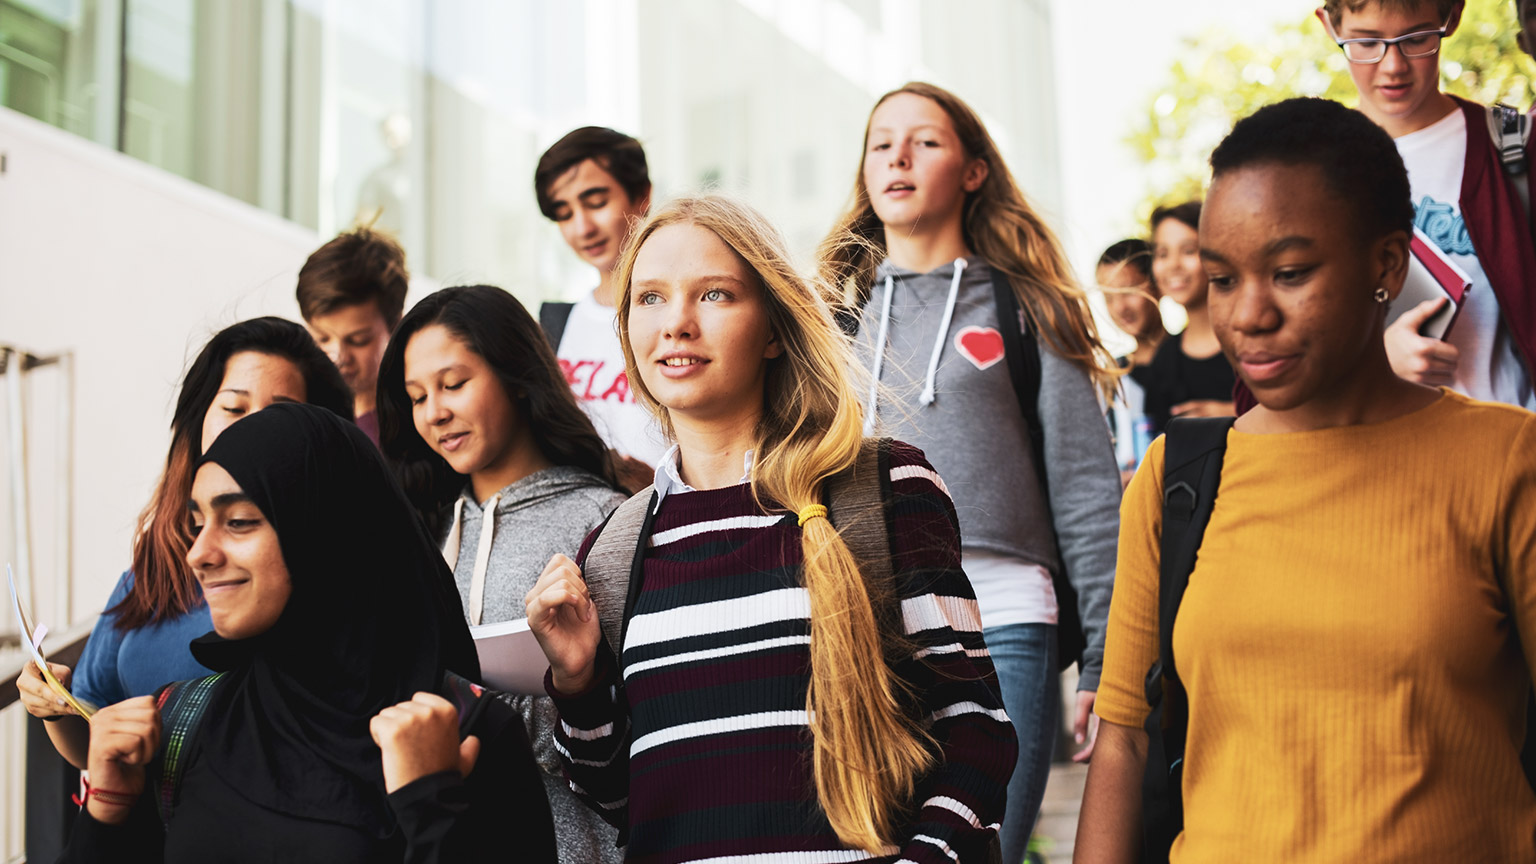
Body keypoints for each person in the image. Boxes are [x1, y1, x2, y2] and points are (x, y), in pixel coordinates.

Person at [1076, 97, 1536, 862]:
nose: (1250, 314)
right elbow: (1122, 739)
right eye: (1222, 279)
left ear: (1387, 264)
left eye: (1289, 273)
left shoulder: (1506, 461)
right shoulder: (1177, 478)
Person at [526, 195, 1016, 863]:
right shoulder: (613, 550)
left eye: (716, 295)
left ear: (774, 329)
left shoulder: (884, 490)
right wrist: (577, 681)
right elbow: (618, 798)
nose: (677, 324)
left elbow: (975, 734)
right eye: (650, 299)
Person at [816, 81, 1121, 862]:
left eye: (925, 141)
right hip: (866, 621)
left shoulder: (1030, 304)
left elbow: (1088, 491)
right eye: (882, 143)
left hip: (1006, 616)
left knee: (984, 848)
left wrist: (1108, 658)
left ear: (974, 171)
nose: (898, 157)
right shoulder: (830, 317)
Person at [57, 403, 557, 863]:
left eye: (238, 521)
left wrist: (429, 805)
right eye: (198, 524)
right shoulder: (184, 722)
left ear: (322, 531)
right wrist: (106, 811)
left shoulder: (464, 737)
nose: (199, 554)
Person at [16, 318, 351, 770]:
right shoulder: (148, 575)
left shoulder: (332, 577)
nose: (252, 430)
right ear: (198, 423)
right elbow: (94, 742)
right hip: (143, 834)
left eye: (278, 414)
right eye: (234, 408)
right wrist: (54, 709)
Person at [377, 284, 627, 863]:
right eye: (416, 396)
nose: (434, 412)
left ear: (517, 375)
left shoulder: (603, 520)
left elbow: (631, 729)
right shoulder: (422, 537)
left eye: (454, 383)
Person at [1317, 0, 1536, 409]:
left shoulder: (1513, 147)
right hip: (1384, 458)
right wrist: (1376, 362)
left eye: (1416, 39)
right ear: (1330, 25)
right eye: (1366, 43)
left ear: (1451, 17)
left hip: (1514, 446)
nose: (1393, 65)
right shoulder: (1308, 170)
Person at [534, 126, 666, 489]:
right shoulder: (552, 328)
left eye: (595, 202)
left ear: (642, 195)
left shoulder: (682, 318)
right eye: (564, 212)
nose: (582, 227)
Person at [297, 226, 411, 445]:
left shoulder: (419, 421)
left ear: (396, 326)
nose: (338, 356)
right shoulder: (300, 414)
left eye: (358, 340)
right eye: (322, 338)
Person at [1139, 202, 1237, 435]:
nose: (1173, 265)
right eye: (1162, 254)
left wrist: (1235, 413)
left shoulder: (1248, 340)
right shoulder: (1164, 360)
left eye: (1189, 251)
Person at [1098, 238, 1164, 481]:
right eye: (1109, 297)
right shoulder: (1111, 376)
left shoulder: (1187, 358)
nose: (1120, 307)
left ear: (1157, 284)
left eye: (1128, 291)